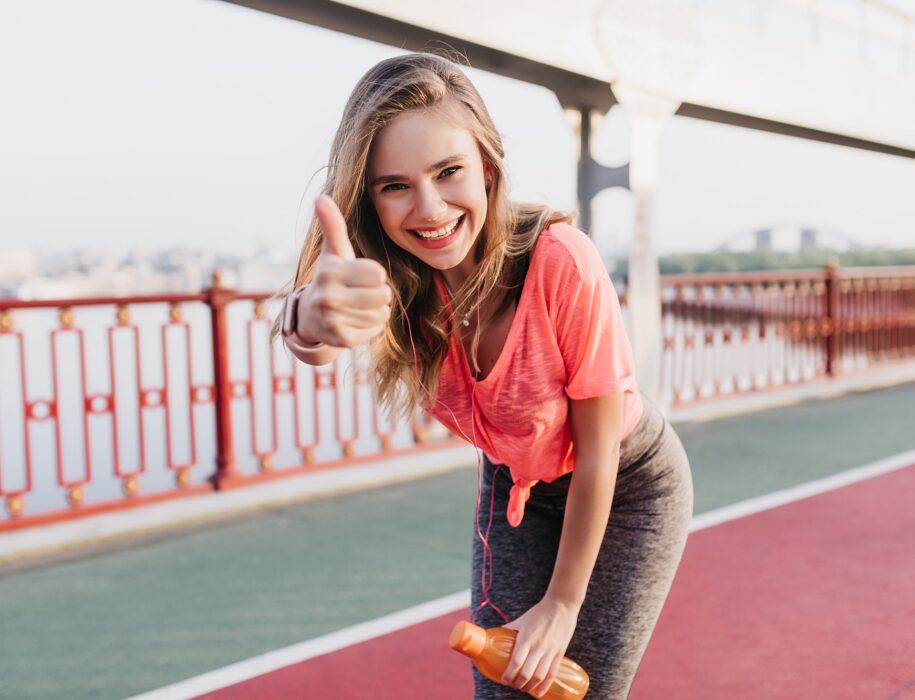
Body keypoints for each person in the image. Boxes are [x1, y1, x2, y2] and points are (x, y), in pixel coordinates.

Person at [275, 51, 693, 699]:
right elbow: (319, 337)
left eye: (448, 172)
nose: (429, 207)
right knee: (502, 692)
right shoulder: (389, 278)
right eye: (394, 186)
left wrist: (561, 604)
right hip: (516, 484)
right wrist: (309, 318)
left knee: (582, 691)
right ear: (369, 201)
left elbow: (598, 451)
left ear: (487, 169)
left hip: (628, 482)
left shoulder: (560, 261)